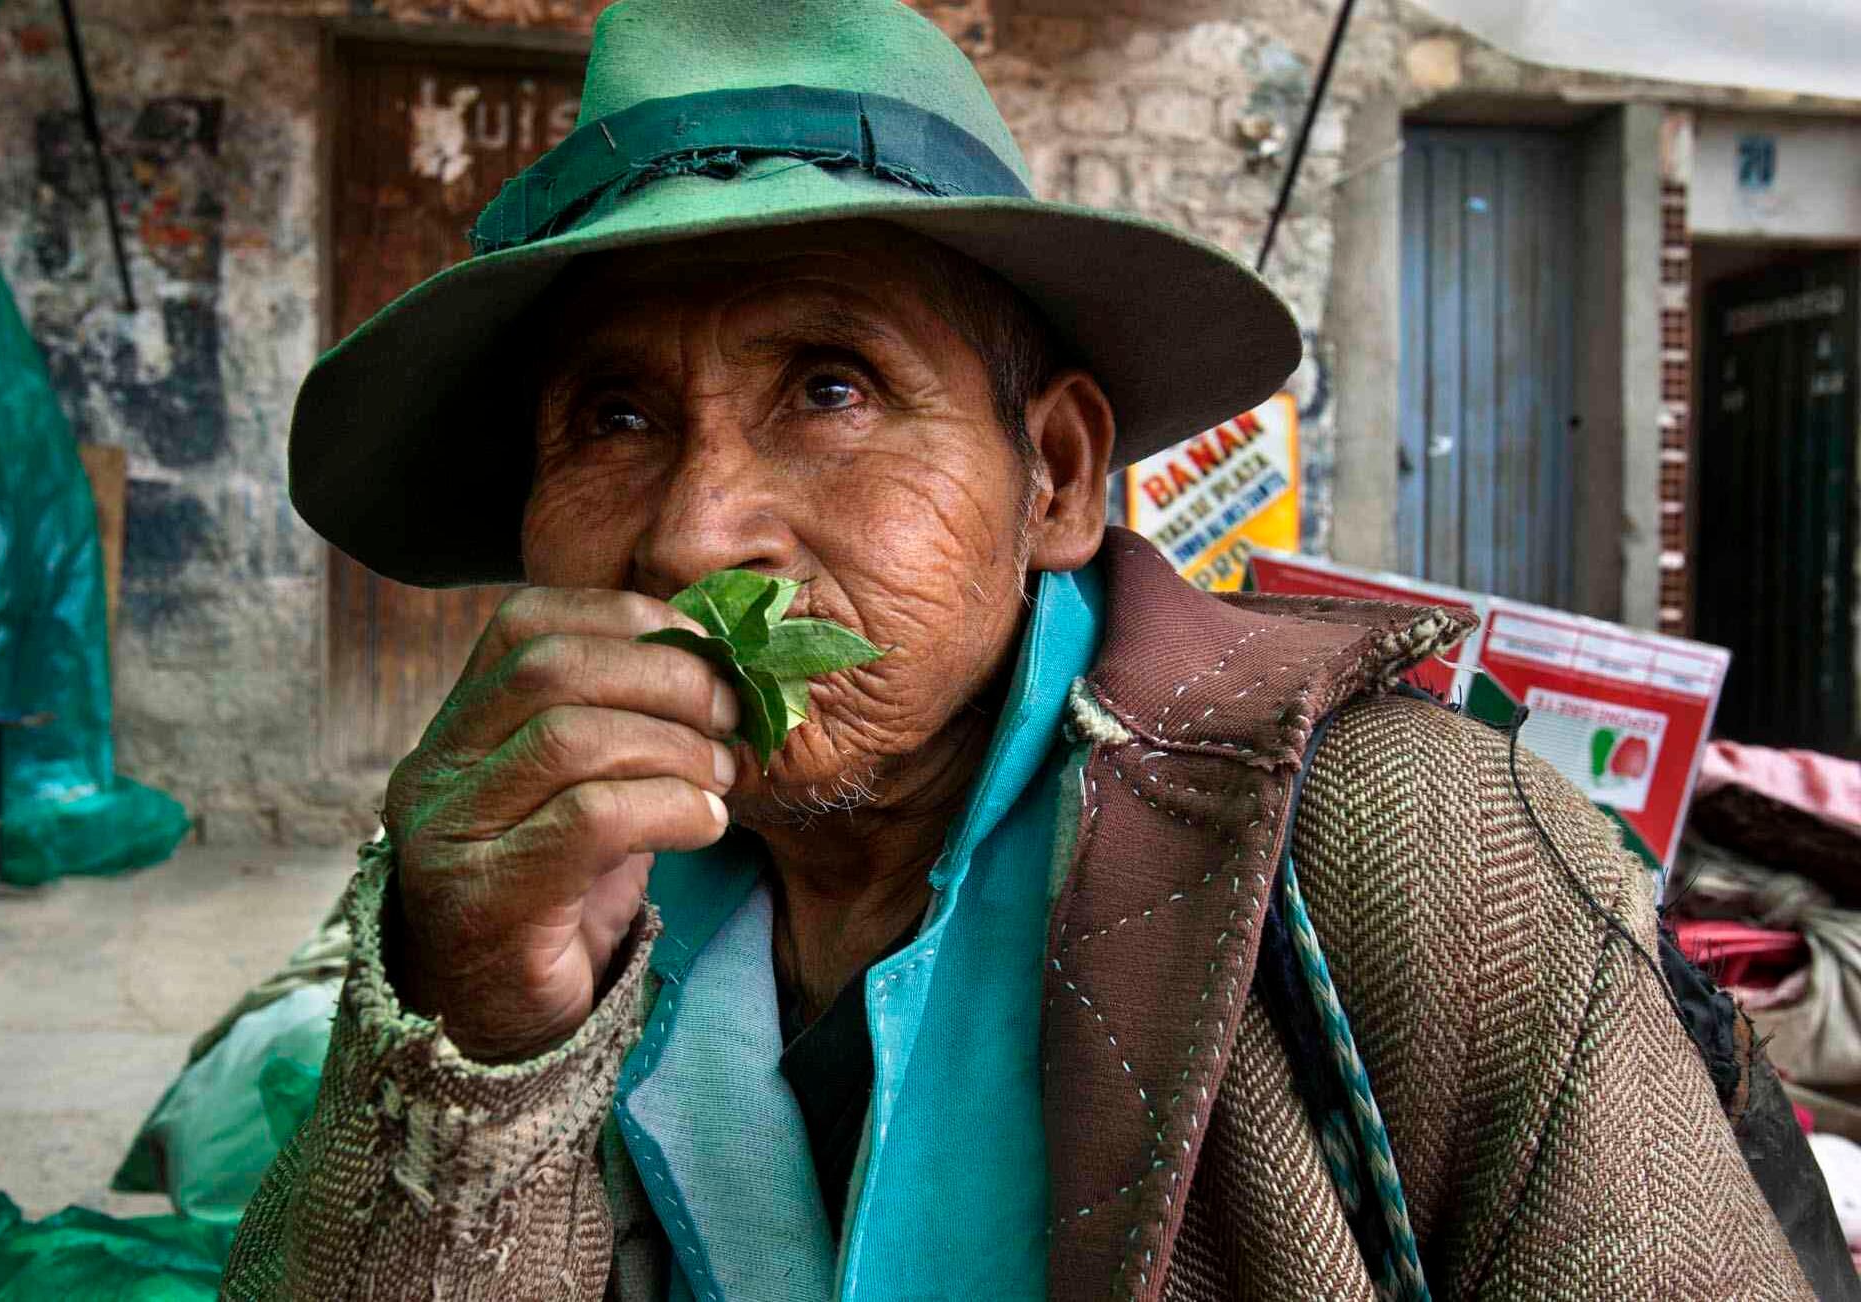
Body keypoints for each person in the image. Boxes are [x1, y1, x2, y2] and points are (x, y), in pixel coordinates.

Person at [224, 1, 1839, 1297]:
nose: (694, 533)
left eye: (833, 387)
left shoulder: (1411, 850)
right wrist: (476, 1043)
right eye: (616, 416)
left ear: (1057, 476)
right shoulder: (514, 888)